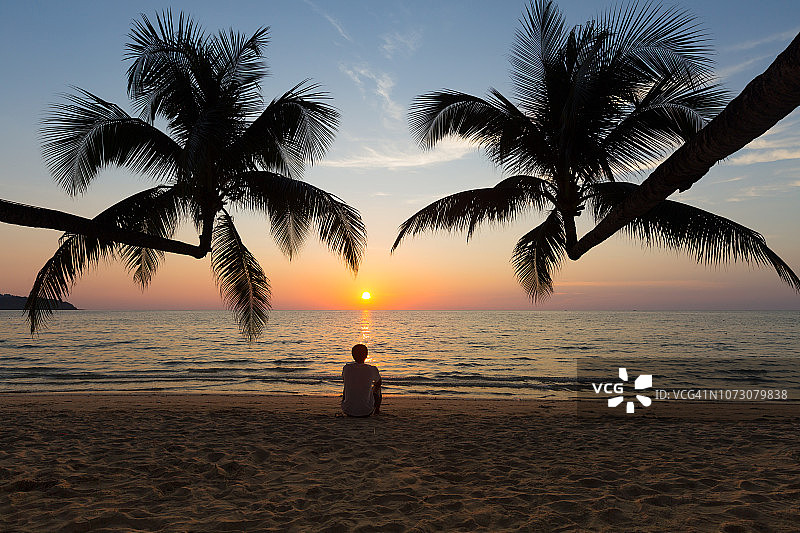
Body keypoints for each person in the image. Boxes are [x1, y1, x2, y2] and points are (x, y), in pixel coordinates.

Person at [341, 344, 382, 417]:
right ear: (366, 355)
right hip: (367, 411)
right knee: (378, 388)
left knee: (346, 387)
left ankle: (348, 403)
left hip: (347, 410)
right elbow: (379, 382)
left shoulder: (346, 368)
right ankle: (377, 410)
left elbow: (344, 380)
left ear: (353, 356)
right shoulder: (372, 369)